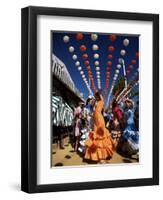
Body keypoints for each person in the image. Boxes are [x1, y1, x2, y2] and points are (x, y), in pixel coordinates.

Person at [84, 90, 115, 163]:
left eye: (97, 96)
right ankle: (98, 156)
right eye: (96, 96)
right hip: (95, 120)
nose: (96, 97)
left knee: (100, 136)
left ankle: (102, 157)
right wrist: (93, 98)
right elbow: (89, 104)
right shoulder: (94, 103)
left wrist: (99, 93)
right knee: (96, 137)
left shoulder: (101, 102)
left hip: (100, 120)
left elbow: (102, 99)